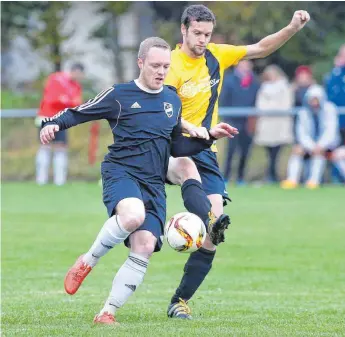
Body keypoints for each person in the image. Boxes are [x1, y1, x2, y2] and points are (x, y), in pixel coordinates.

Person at [39, 37, 237, 325]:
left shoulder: (171, 99)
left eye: (166, 66)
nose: (161, 71)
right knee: (132, 216)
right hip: (121, 172)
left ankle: (107, 313)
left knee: (143, 246)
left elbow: (178, 148)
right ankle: (87, 261)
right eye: (155, 65)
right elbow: (78, 112)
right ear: (141, 62)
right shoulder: (118, 95)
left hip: (153, 181)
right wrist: (52, 123)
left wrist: (210, 138)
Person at [164, 4, 310, 319]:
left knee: (214, 235)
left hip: (206, 148)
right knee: (159, 224)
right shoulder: (170, 66)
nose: (203, 40)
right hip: (172, 146)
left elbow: (261, 48)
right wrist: (196, 130)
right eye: (197, 33)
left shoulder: (217, 55)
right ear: (184, 31)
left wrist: (292, 28)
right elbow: (166, 115)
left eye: (207, 34)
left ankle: (179, 301)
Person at [281, 85, 340, 189]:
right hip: (309, 145)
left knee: (319, 153)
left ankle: (313, 181)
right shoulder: (303, 112)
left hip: (328, 145)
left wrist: (320, 145)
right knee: (297, 151)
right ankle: (292, 180)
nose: (314, 102)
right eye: (312, 100)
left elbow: (330, 132)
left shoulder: (330, 109)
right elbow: (302, 133)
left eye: (316, 99)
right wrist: (312, 146)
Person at [35, 63, 85, 186]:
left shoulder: (76, 85)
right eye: (78, 74)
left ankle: (60, 181)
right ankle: (41, 180)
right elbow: (52, 99)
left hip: (62, 120)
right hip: (46, 117)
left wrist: (65, 100)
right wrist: (66, 100)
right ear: (74, 71)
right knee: (45, 147)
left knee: (61, 147)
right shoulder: (56, 79)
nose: (79, 77)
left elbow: (77, 102)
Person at [219, 60, 260, 185]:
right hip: (232, 120)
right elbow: (224, 99)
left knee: (245, 150)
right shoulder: (230, 80)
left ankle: (240, 178)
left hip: (248, 121)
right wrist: (226, 118)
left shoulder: (255, 82)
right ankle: (225, 176)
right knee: (231, 150)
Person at [254, 65, 294, 183]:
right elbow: (260, 105)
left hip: (280, 124)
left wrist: (271, 106)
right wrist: (273, 106)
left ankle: (276, 175)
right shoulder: (264, 88)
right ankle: (270, 175)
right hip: (267, 124)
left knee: (278, 152)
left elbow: (286, 105)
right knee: (269, 152)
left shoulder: (285, 87)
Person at [324, 44, 345, 183]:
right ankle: (336, 177)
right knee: (334, 150)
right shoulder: (335, 73)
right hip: (337, 120)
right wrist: (337, 68)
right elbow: (330, 94)